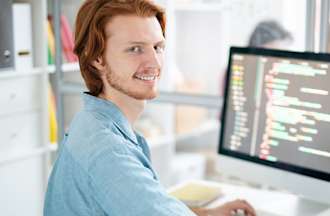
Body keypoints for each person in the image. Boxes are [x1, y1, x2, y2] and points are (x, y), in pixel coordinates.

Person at [43, 0, 256, 215]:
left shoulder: (92, 122)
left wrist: (207, 213)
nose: (154, 62)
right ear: (97, 57)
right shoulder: (107, 151)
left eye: (157, 47)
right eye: (135, 49)